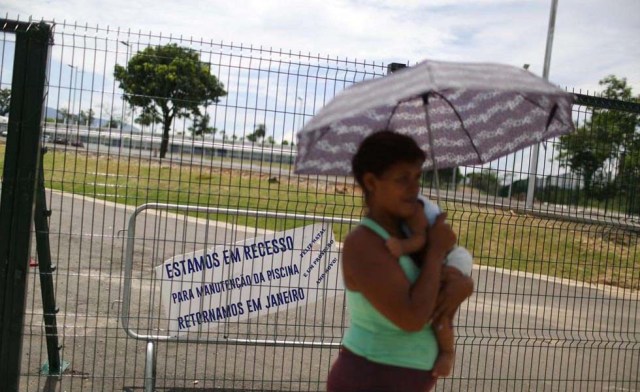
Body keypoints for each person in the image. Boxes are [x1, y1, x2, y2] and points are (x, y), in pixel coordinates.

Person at [327, 130, 474, 392]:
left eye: (418, 176)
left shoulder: (409, 230)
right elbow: (413, 317)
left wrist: (462, 285)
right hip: (369, 378)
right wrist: (436, 251)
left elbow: (434, 287)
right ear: (371, 182)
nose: (414, 188)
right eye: (402, 178)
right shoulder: (364, 244)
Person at [386, 195, 474, 377]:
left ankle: (448, 352)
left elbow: (419, 239)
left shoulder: (413, 206)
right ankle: (445, 348)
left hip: (452, 257)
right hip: (439, 257)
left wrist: (401, 247)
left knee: (441, 313)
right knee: (439, 313)